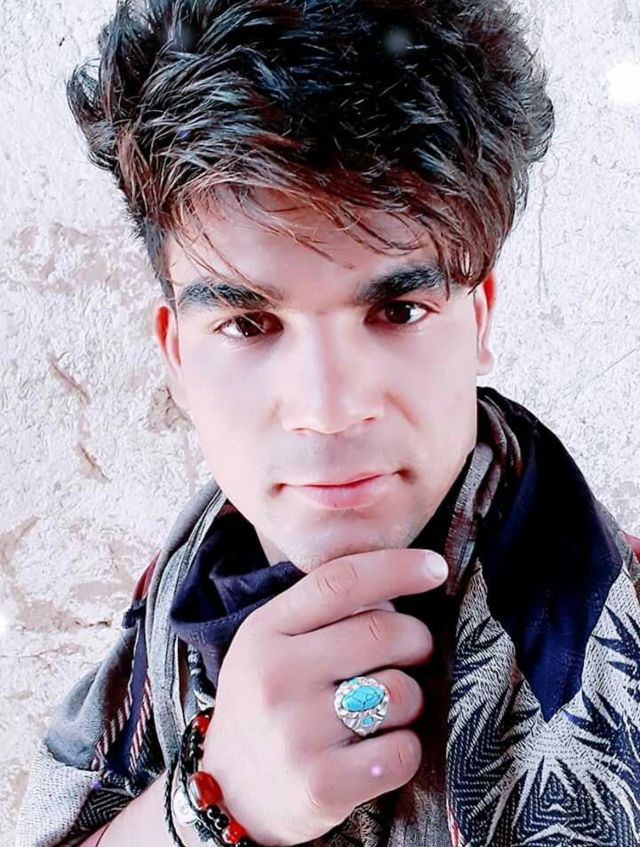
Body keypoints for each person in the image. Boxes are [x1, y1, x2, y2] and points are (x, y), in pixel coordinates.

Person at [15, 0, 640, 845]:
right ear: (178, 357)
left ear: (480, 317)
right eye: (248, 324)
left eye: (398, 310)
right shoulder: (175, 603)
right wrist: (213, 799)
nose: (329, 406)